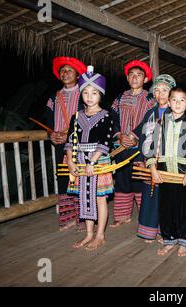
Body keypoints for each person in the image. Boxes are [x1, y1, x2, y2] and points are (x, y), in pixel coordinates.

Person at [65, 66, 114, 251]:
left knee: (100, 198)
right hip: (79, 161)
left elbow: (105, 141)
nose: (89, 96)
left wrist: (92, 161)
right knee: (84, 198)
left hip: (98, 161)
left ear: (100, 95)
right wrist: (70, 160)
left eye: (94, 92)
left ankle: (100, 235)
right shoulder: (76, 117)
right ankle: (88, 234)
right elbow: (70, 141)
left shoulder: (106, 116)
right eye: (85, 92)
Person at [146, 88, 186, 257]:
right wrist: (153, 169)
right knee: (166, 209)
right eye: (174, 99)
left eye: (182, 100)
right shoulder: (160, 124)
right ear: (168, 102)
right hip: (164, 174)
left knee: (184, 208)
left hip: (183, 175)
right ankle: (169, 239)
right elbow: (152, 149)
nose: (177, 103)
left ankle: (184, 241)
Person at [110, 60, 156, 228]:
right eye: (131, 75)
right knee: (122, 179)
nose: (135, 77)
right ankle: (122, 216)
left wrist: (135, 136)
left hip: (140, 147)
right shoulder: (120, 98)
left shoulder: (151, 98)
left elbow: (151, 120)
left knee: (140, 179)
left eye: (139, 75)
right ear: (127, 78)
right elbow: (112, 119)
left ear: (145, 79)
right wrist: (119, 135)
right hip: (121, 146)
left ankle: (144, 217)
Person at [45, 56, 87, 232]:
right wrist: (51, 134)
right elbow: (47, 121)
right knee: (62, 178)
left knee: (80, 177)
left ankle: (84, 219)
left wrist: (69, 134)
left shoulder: (85, 94)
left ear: (77, 75)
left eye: (69, 70)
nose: (65, 73)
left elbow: (90, 118)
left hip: (80, 143)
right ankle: (68, 217)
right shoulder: (53, 98)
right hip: (59, 144)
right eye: (62, 70)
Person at [135, 74, 176, 243]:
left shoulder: (175, 112)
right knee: (150, 196)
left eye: (164, 90)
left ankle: (164, 230)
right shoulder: (150, 113)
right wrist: (141, 157)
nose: (160, 94)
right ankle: (149, 231)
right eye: (157, 90)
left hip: (167, 162)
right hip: (150, 161)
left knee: (166, 197)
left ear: (171, 92)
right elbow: (143, 137)